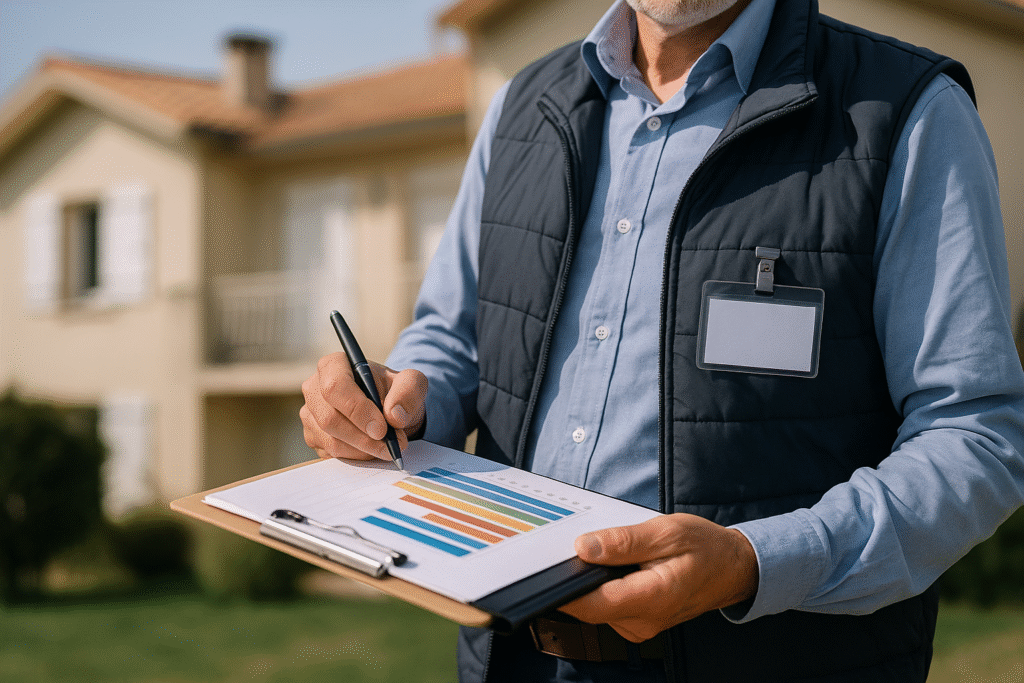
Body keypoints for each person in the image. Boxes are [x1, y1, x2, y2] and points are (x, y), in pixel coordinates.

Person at [300, 0, 1024, 680]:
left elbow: (976, 434)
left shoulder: (908, 111)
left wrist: (754, 563)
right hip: (512, 653)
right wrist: (400, 402)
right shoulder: (522, 106)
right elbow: (453, 340)